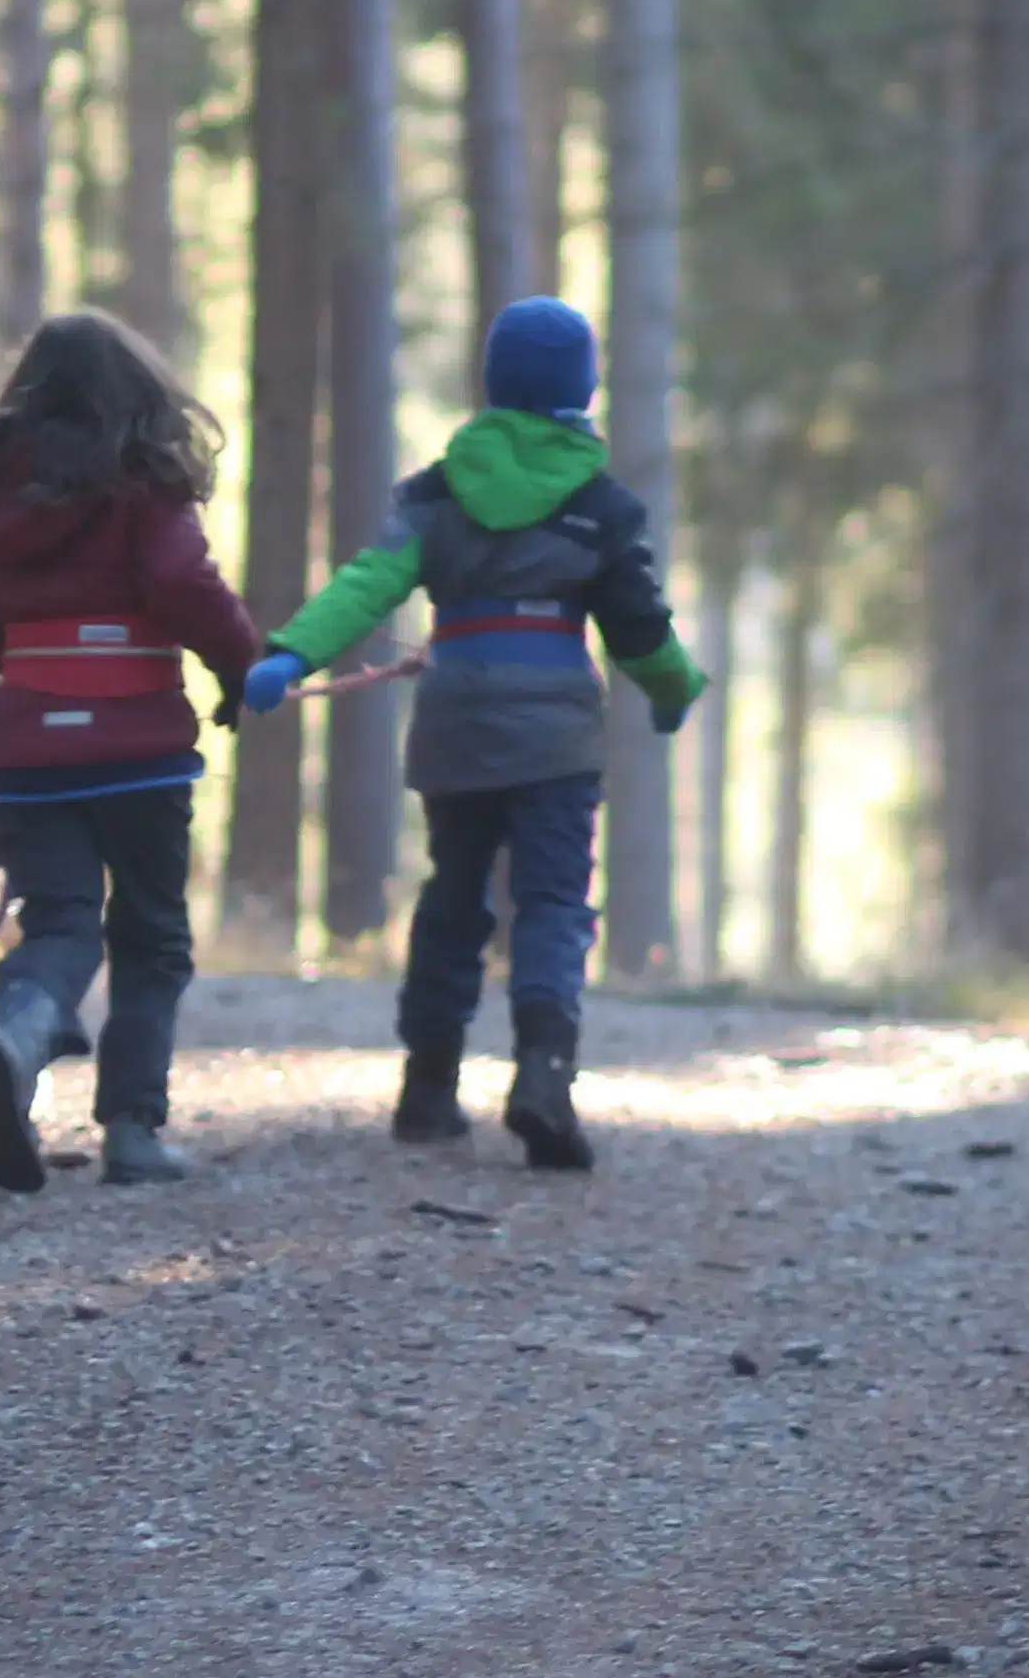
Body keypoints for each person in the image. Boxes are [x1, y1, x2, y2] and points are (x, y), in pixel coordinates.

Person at [243, 296, 707, 1173]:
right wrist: (673, 689)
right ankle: (544, 1071)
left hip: (456, 713)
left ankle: (427, 1087)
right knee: (553, 901)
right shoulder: (602, 507)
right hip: (556, 729)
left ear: (494, 379)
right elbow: (639, 628)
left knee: (454, 893)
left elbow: (368, 584)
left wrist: (289, 655)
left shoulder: (434, 491)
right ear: (583, 385)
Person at [0, 312, 262, 1192]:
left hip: (31, 747)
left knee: (60, 924)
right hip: (141, 751)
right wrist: (243, 669)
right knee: (152, 935)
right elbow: (182, 584)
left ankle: (13, 1040)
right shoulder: (145, 478)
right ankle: (132, 1131)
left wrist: (43, 665)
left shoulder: (1, 488)